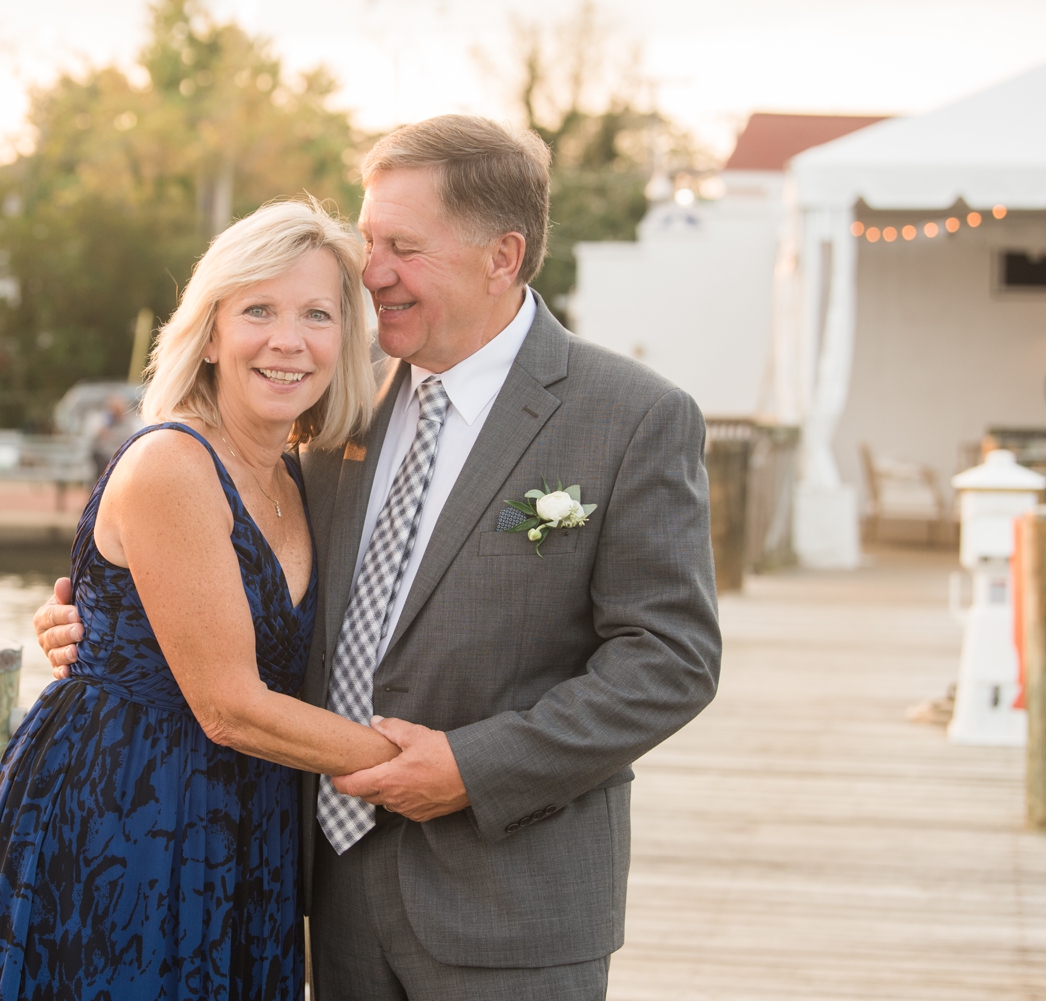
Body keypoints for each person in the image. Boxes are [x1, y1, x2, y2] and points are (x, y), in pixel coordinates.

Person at [37, 115, 722, 1000]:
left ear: (501, 257)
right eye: (369, 241)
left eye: (403, 246)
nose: (373, 272)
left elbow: (670, 660)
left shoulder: (631, 416)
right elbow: (235, 568)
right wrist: (111, 625)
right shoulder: (331, 412)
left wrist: (475, 768)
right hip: (321, 893)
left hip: (514, 904)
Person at [0, 199, 395, 1001]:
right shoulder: (174, 463)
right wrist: (425, 769)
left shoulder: (302, 477)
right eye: (258, 309)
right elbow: (229, 703)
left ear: (347, 339)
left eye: (317, 314)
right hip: (126, 816)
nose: (288, 339)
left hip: (248, 815)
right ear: (212, 330)